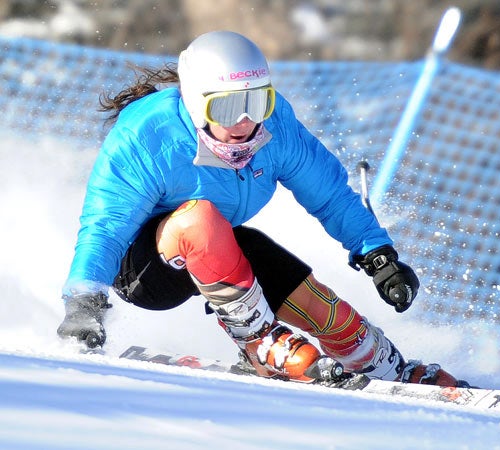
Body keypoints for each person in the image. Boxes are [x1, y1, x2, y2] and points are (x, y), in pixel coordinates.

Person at [57, 30, 464, 387]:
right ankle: (257, 343)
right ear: (199, 104)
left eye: (258, 101)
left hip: (219, 247)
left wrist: (376, 254)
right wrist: (84, 303)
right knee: (200, 217)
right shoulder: (148, 136)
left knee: (305, 294)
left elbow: (329, 193)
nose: (246, 121)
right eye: (228, 108)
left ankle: (379, 362)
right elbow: (106, 227)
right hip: (145, 267)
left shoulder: (274, 127)